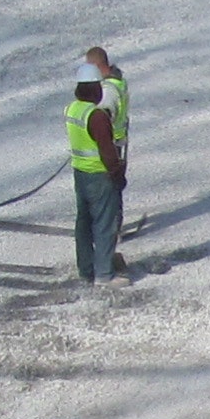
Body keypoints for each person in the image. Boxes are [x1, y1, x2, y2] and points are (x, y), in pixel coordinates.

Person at [69, 71, 127, 282]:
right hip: (100, 176)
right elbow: (106, 150)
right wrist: (117, 174)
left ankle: (86, 270)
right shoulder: (97, 116)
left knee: (83, 224)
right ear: (94, 88)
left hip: (80, 173)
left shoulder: (73, 109)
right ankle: (105, 274)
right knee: (104, 225)